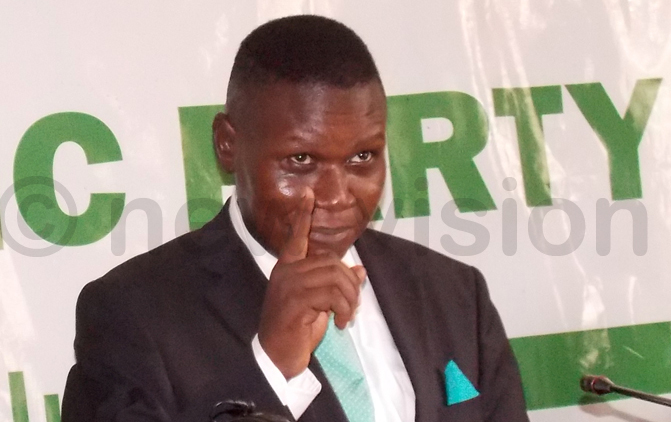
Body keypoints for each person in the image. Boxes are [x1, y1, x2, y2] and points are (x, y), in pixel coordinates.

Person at [62, 15, 529, 422]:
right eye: (301, 160)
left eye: (363, 157)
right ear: (228, 143)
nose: (336, 196)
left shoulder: (455, 295)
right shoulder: (131, 315)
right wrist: (272, 368)